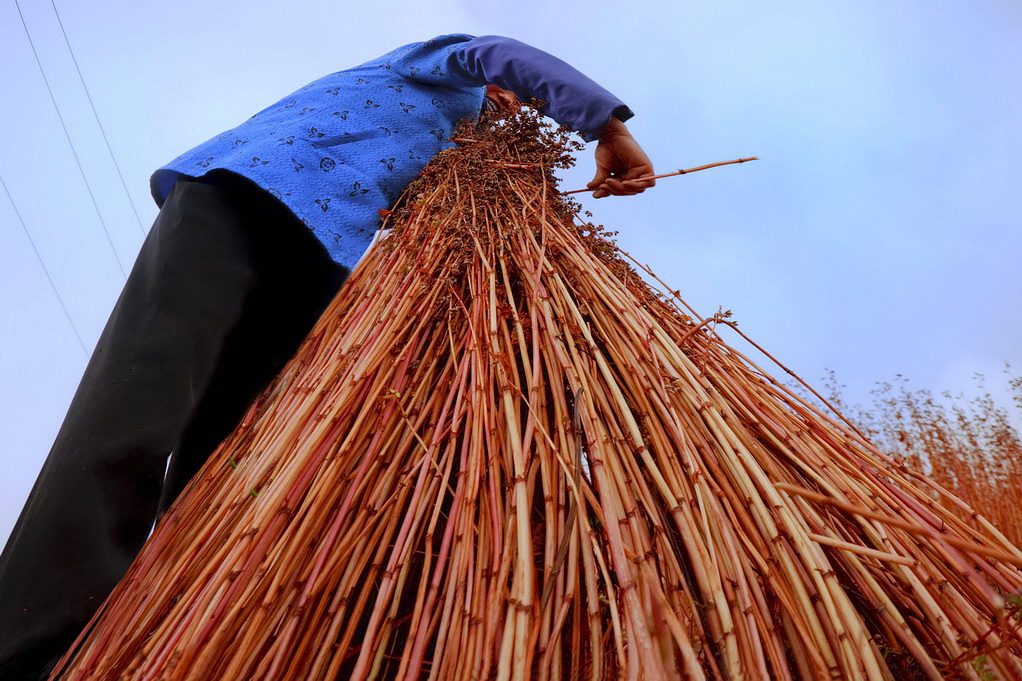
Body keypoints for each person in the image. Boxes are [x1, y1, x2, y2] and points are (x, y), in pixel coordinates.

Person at [0, 33, 654, 679]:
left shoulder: (455, 143)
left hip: (316, 265)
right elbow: (502, 53)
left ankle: (153, 634)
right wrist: (603, 123)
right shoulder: (442, 67)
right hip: (240, 199)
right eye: (506, 95)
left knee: (223, 469)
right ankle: (28, 645)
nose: (510, 104)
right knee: (132, 413)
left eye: (513, 104)